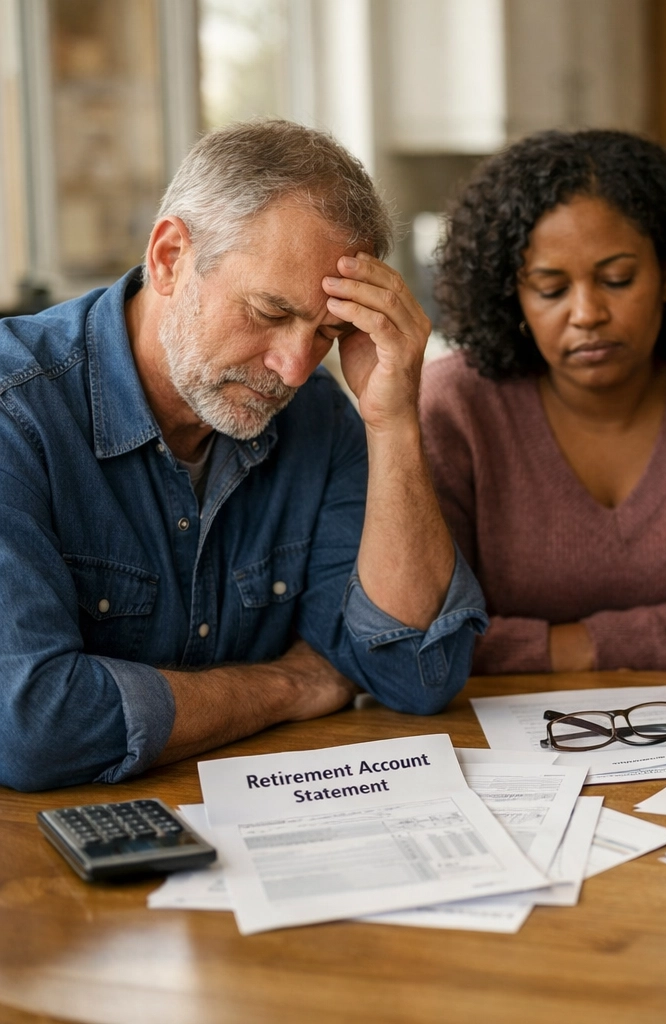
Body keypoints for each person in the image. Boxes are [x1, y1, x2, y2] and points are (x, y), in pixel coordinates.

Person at [0, 120, 487, 792]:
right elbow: (33, 728)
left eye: (329, 332)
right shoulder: (14, 412)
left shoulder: (318, 414)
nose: (292, 369)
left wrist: (395, 417)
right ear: (170, 257)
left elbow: (412, 673)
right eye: (267, 311)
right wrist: (292, 685)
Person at [420, 130, 666, 674]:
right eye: (551, 289)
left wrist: (575, 647)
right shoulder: (453, 406)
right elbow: (429, 638)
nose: (586, 313)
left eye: (617, 278)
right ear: (512, 293)